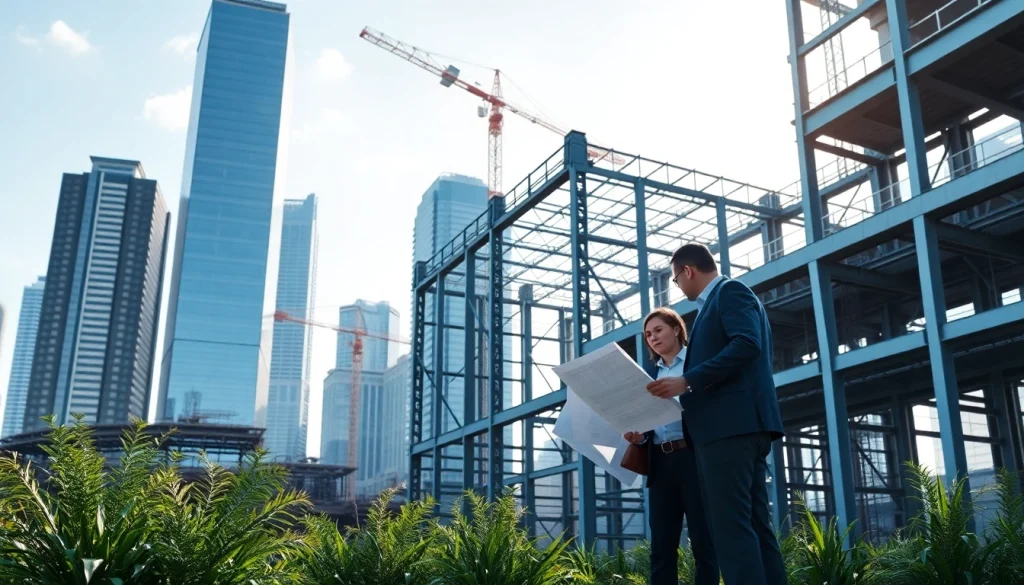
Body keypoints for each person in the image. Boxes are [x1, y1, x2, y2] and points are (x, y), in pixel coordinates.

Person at [645, 243, 787, 585]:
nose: (679, 287)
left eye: (676, 280)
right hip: (738, 428)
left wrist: (688, 380)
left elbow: (747, 344)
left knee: (731, 528)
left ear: (687, 272)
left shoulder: (729, 293)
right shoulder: (722, 300)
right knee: (753, 525)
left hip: (728, 430)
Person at [624, 307, 718, 585]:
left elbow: (711, 403)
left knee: (704, 542)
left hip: (694, 458)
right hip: (661, 463)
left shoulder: (697, 363)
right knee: (662, 547)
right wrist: (639, 436)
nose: (652, 338)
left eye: (658, 330)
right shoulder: (649, 374)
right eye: (648, 334)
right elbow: (649, 421)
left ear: (676, 329)